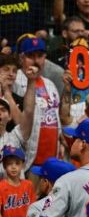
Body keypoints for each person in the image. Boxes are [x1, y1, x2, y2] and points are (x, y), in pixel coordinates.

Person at [13, 36, 61, 169]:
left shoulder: (50, 84)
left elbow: (56, 117)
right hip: (27, 159)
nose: (36, 60)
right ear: (21, 58)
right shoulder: (15, 81)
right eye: (30, 56)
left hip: (51, 158)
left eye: (40, 55)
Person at [0, 145, 34, 217]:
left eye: (17, 163)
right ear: (4, 166)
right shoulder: (1, 186)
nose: (13, 167)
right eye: (9, 164)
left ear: (22, 165)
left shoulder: (28, 185)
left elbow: (33, 210)